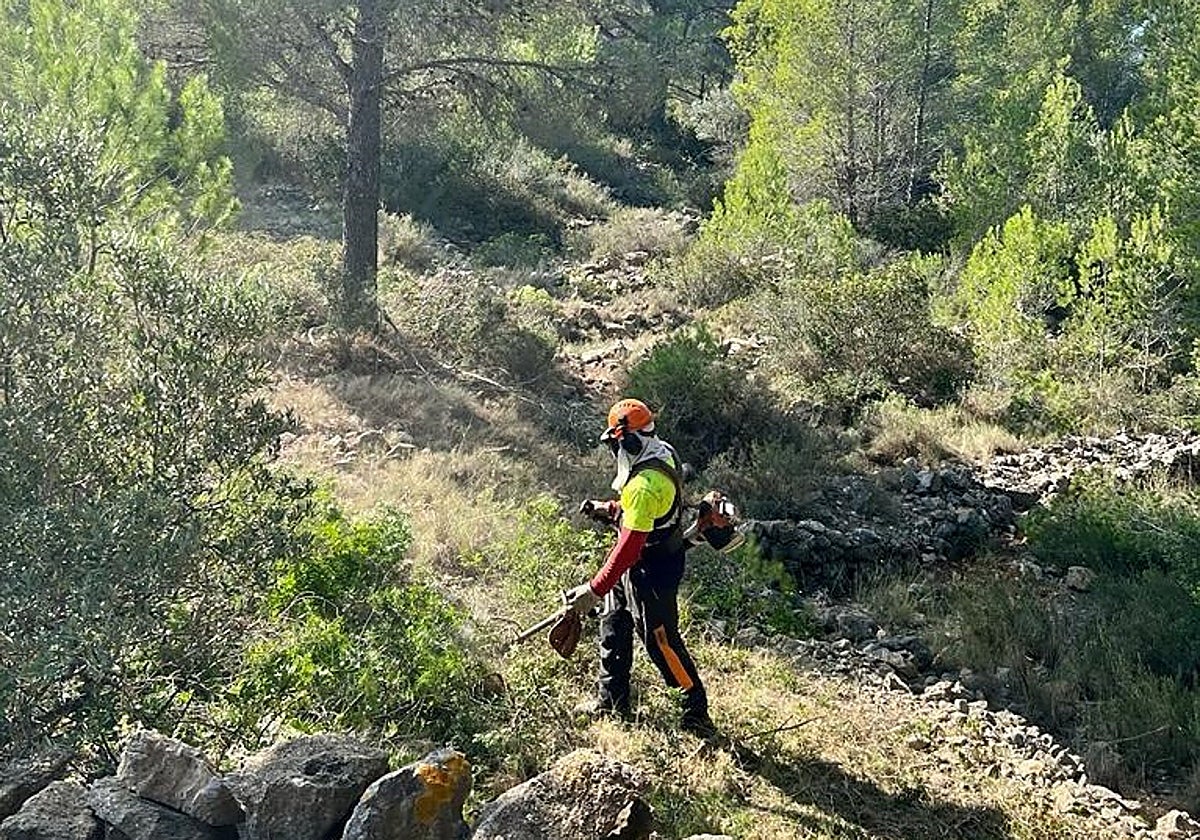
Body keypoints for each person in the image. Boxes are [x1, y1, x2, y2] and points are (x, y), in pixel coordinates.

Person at [565, 398, 715, 736]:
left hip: (653, 570)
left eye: (616, 444)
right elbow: (645, 514)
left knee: (661, 642)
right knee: (613, 622)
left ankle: (695, 712)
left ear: (628, 440)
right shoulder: (663, 452)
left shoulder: (644, 486)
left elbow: (630, 546)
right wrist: (609, 508)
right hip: (645, 560)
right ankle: (611, 699)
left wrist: (594, 589)